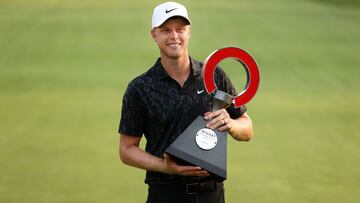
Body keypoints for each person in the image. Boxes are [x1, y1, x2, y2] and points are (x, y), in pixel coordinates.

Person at [118, 2, 254, 203]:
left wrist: (232, 125)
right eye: (166, 30)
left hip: (211, 193)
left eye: (180, 29)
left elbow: (247, 129)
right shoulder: (140, 87)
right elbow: (126, 150)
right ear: (154, 34)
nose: (174, 36)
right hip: (165, 193)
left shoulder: (214, 75)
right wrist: (165, 166)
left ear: (189, 32)